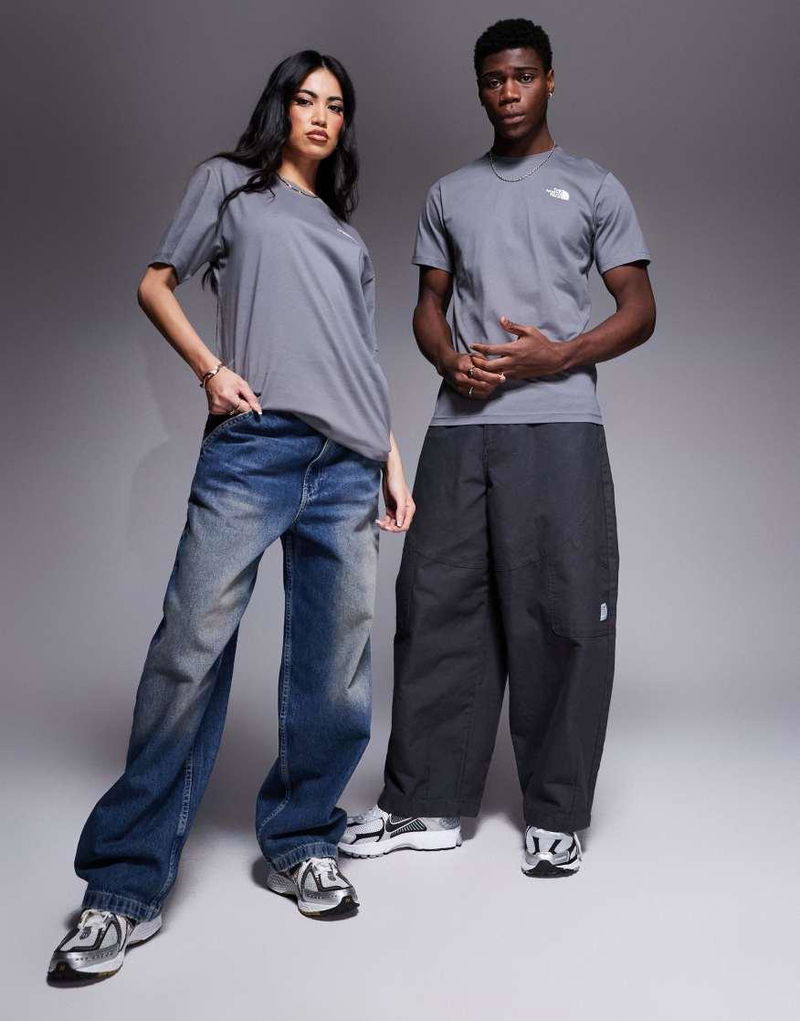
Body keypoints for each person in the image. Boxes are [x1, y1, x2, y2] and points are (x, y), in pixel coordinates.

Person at [48, 49, 414, 985]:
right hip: (255, 447)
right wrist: (212, 372)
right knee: (188, 650)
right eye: (307, 99)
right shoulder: (230, 186)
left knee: (335, 667)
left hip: (347, 463)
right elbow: (155, 282)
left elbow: (361, 359)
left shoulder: (344, 235)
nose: (322, 115)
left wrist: (391, 458)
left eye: (337, 104)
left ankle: (303, 841)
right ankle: (122, 887)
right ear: (281, 106)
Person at [341, 18, 655, 877]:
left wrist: (561, 354)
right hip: (460, 428)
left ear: (550, 80)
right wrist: (449, 361)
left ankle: (556, 812)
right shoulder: (450, 193)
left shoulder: (593, 186)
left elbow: (638, 308)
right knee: (436, 605)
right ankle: (425, 802)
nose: (507, 93)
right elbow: (427, 307)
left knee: (562, 610)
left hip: (560, 425)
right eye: (492, 79)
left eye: (522, 76)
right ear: (479, 87)